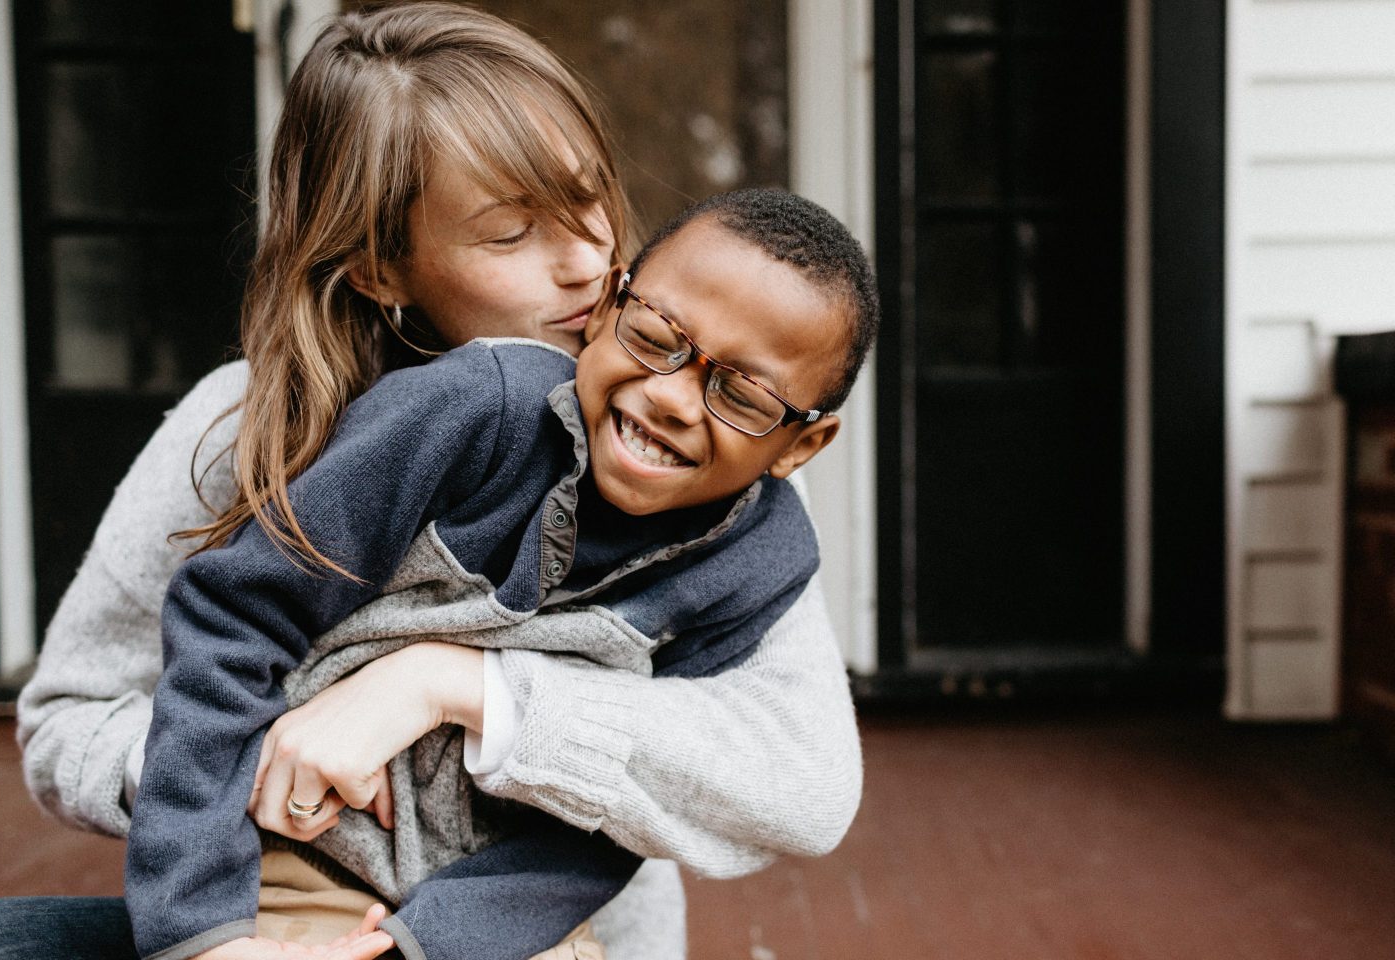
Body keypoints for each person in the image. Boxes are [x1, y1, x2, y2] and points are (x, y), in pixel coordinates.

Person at [0, 4, 860, 959]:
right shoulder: (243, 429)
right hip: (285, 914)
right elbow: (66, 725)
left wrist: (459, 688)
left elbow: (802, 780)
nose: (590, 264)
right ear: (382, 268)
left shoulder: (702, 460)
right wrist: (250, 760)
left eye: (590, 199)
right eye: (513, 234)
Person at [129, 186, 878, 960]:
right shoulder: (472, 412)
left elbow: (614, 809)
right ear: (607, 305)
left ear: (800, 447)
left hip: (496, 918)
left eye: (741, 395)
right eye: (656, 336)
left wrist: (435, 942)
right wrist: (199, 928)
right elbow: (233, 617)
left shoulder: (757, 563)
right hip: (302, 855)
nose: (670, 396)